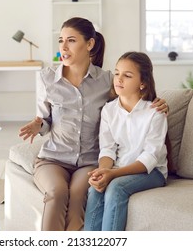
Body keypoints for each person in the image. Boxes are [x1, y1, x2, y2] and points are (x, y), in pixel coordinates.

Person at [19, 17, 168, 231]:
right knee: (57, 192)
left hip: (88, 160)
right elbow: (45, 121)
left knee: (82, 193)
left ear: (89, 44)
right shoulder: (46, 78)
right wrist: (38, 125)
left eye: (71, 40)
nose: (63, 47)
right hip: (53, 158)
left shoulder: (107, 80)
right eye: (61, 40)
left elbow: (133, 95)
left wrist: (161, 103)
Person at [84, 51, 168, 231]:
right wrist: (103, 171)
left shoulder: (155, 112)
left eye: (127, 75)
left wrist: (113, 174)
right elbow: (107, 149)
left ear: (142, 83)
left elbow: (150, 158)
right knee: (95, 189)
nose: (119, 79)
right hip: (118, 167)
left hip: (152, 172)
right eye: (117, 73)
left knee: (115, 188)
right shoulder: (108, 110)